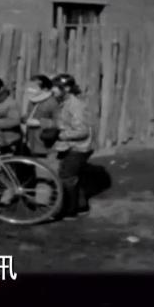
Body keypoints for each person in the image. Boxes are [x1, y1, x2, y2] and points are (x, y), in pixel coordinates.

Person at [51, 74, 94, 219]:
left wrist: (60, 135)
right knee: (74, 177)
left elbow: (82, 131)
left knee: (66, 177)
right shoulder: (64, 102)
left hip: (79, 147)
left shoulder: (75, 105)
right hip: (72, 145)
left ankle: (70, 210)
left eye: (55, 88)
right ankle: (81, 207)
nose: (52, 90)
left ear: (67, 88)